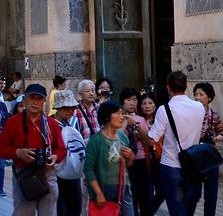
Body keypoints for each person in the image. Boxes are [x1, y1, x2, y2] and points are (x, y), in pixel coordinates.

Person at [0, 83, 66, 216]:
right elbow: (0, 149)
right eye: (32, 98)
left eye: (39, 99)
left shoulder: (51, 123)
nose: (35, 102)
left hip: (47, 174)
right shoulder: (13, 122)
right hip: (24, 175)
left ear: (44, 101)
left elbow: (61, 149)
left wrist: (55, 157)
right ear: (24, 100)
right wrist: (18, 152)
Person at [148, 71, 205, 216]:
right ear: (186, 87)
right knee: (188, 210)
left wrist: (137, 127)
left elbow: (152, 139)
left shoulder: (164, 109)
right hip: (192, 166)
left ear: (168, 88)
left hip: (171, 164)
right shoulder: (199, 107)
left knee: (177, 211)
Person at [85, 102, 135, 216]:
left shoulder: (122, 137)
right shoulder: (96, 141)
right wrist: (98, 193)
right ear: (108, 117)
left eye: (122, 113)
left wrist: (131, 157)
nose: (122, 117)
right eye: (118, 113)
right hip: (104, 190)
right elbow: (88, 169)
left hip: (123, 188)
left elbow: (126, 166)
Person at [50, 90, 86, 216]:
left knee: (75, 205)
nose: (70, 111)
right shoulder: (50, 123)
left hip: (75, 169)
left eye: (72, 108)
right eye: (66, 108)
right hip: (57, 170)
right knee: (60, 207)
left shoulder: (76, 122)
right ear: (58, 108)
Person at [193, 83, 223, 216]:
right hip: (194, 156)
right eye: (195, 94)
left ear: (209, 98)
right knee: (194, 193)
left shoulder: (214, 115)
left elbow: (221, 132)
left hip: (209, 156)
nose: (197, 97)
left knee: (211, 194)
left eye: (201, 94)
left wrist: (216, 138)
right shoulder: (190, 113)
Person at [121, 88, 153, 216]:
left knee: (145, 197)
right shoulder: (117, 118)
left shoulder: (140, 119)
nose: (132, 103)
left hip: (140, 161)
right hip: (125, 162)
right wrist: (125, 123)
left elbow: (148, 141)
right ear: (122, 102)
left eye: (134, 100)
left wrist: (136, 125)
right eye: (128, 100)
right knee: (130, 196)